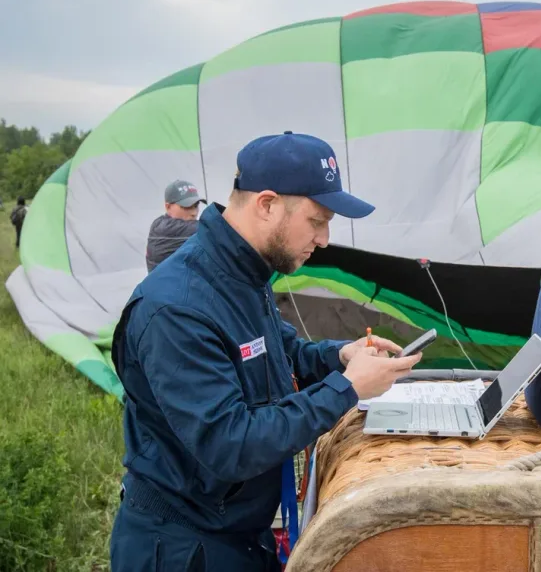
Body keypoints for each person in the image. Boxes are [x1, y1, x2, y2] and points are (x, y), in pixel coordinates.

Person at [109, 131, 423, 572]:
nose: (326, 238)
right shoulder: (176, 307)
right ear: (268, 204)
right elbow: (231, 443)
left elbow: (281, 353)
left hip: (236, 533)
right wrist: (345, 389)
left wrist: (339, 357)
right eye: (317, 220)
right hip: (186, 548)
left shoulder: (243, 274)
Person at [145, 180, 206, 272]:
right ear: (168, 206)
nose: (194, 212)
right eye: (186, 206)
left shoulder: (158, 223)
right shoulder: (166, 228)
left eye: (196, 205)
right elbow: (214, 227)